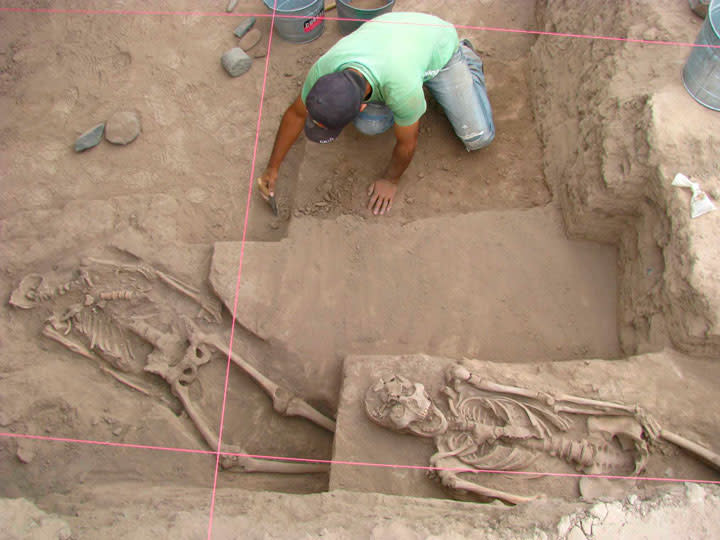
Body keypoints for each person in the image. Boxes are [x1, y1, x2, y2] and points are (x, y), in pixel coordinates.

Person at [257, 11, 495, 216]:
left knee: (478, 137)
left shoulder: (403, 90)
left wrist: (390, 180)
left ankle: (467, 59)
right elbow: (296, 115)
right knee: (370, 126)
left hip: (437, 46)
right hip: (391, 39)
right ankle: (417, 64)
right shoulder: (323, 70)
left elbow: (407, 143)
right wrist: (273, 167)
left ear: (361, 105)